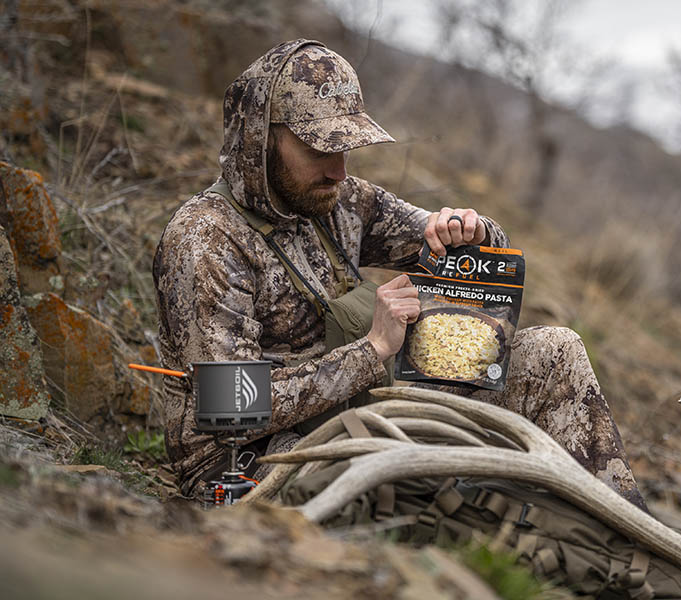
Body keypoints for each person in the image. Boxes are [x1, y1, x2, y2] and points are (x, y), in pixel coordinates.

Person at [153, 39, 647, 510]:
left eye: (345, 148)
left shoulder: (337, 201)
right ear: (261, 137)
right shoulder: (205, 241)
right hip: (257, 460)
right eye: (319, 150)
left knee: (553, 352)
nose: (338, 171)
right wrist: (372, 351)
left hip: (364, 411)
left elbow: (458, 249)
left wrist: (472, 233)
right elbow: (230, 411)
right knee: (426, 482)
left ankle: (631, 546)